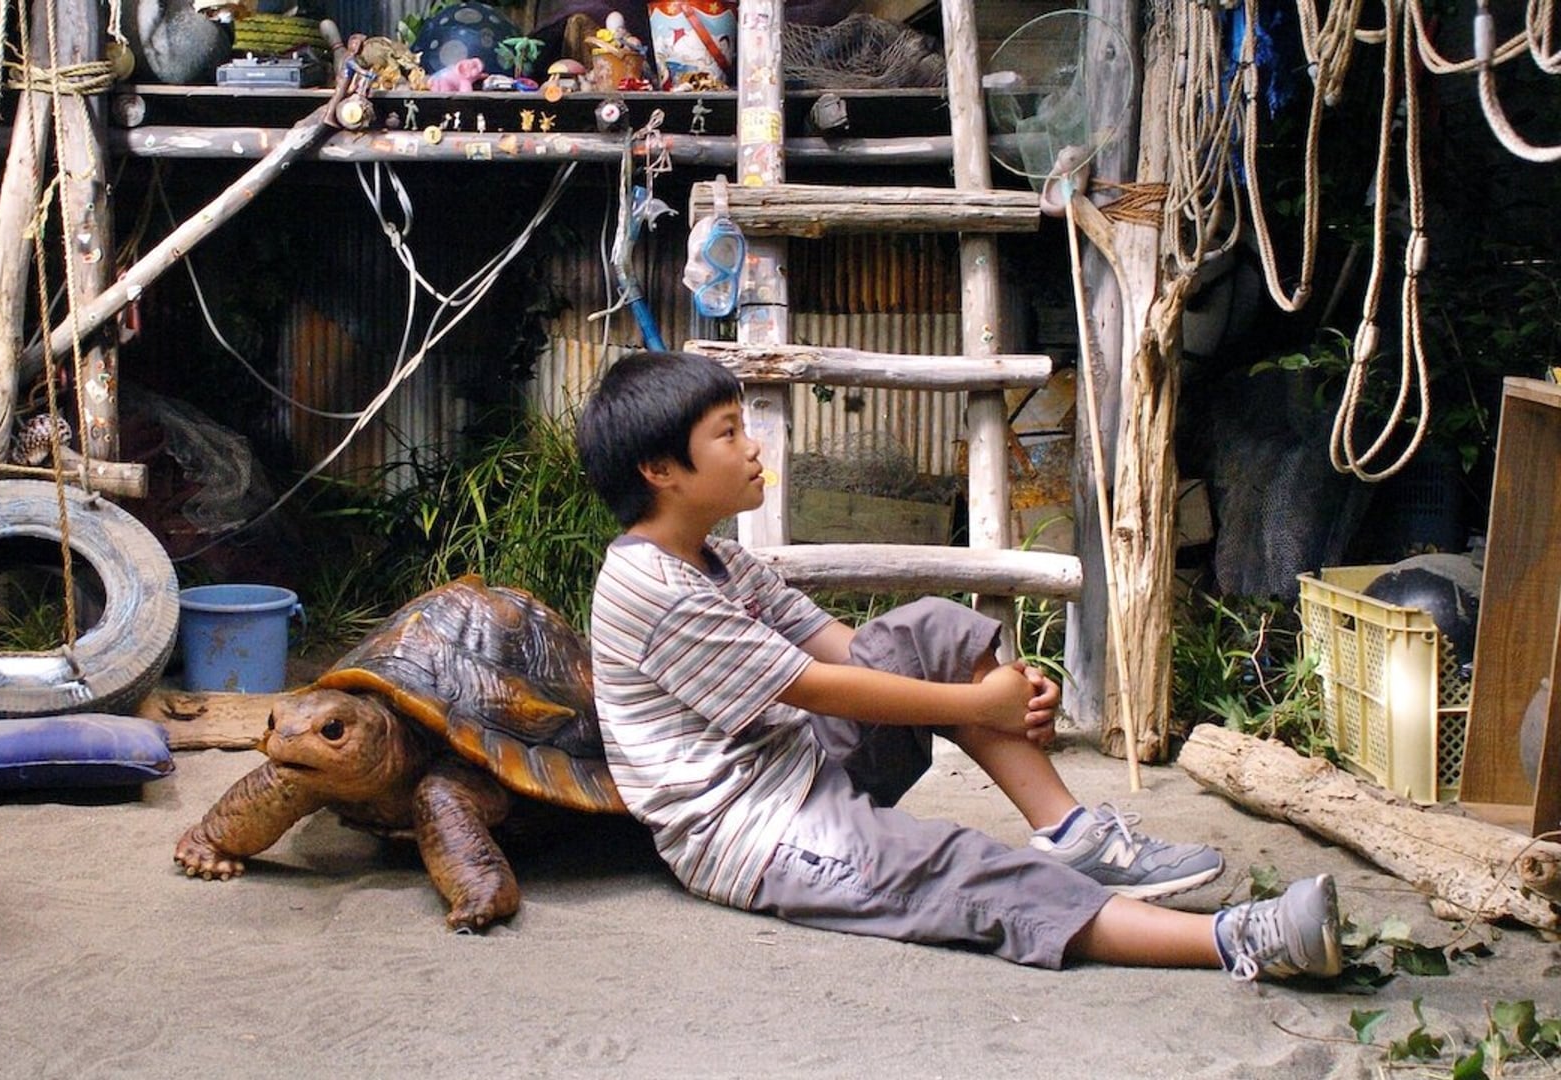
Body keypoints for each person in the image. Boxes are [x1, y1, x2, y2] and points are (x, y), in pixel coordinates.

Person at [573, 350, 1341, 982]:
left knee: (933, 627)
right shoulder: (650, 586)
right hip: (754, 832)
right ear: (660, 470)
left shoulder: (723, 560)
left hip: (800, 761)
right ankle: (1238, 939)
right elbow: (815, 686)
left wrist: (988, 685)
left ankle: (1071, 832)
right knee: (962, 868)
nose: (754, 447)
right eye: (728, 432)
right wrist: (980, 707)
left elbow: (846, 649)